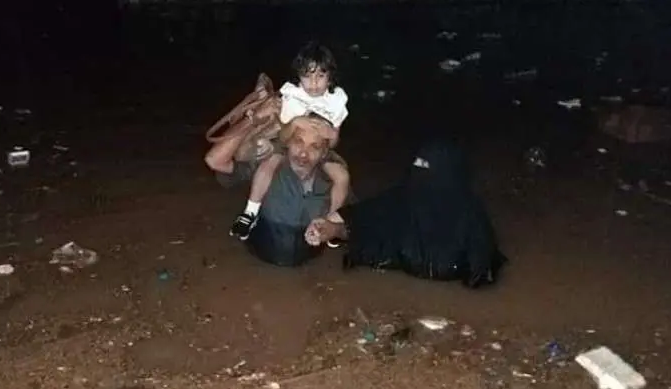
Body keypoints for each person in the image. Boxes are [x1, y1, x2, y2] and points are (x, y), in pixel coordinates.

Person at [304, 140, 507, 289]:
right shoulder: (403, 198)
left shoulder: (470, 214)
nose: (419, 174)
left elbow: (482, 266)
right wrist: (331, 229)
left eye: (427, 168)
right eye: (417, 165)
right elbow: (363, 219)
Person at [229, 41, 350, 242]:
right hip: (287, 144)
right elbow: (283, 135)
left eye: (320, 76)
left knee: (342, 175)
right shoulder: (293, 96)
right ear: (298, 77)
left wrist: (330, 132)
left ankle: (331, 221)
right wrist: (295, 123)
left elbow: (335, 141)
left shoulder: (336, 100)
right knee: (268, 164)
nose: (313, 83)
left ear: (330, 78)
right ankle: (250, 211)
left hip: (320, 150)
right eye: (307, 76)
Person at [204, 114, 348, 267]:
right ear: (288, 143)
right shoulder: (267, 168)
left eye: (315, 146)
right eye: (299, 141)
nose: (304, 153)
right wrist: (252, 118)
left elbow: (352, 225)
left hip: (310, 265)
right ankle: (249, 215)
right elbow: (215, 160)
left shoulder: (334, 179)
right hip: (254, 264)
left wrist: (332, 230)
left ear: (324, 153)